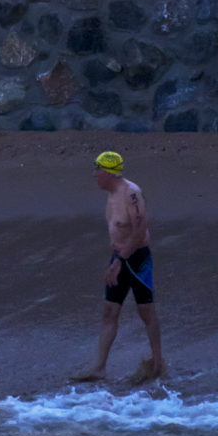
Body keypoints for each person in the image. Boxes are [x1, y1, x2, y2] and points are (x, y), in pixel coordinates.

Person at [69, 150, 165, 388]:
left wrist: (120, 260)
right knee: (109, 312)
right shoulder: (111, 194)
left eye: (97, 170)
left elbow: (141, 227)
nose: (94, 175)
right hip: (119, 257)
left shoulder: (131, 193)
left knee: (146, 312)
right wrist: (116, 258)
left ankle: (158, 362)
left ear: (107, 172)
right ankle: (99, 368)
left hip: (136, 260)